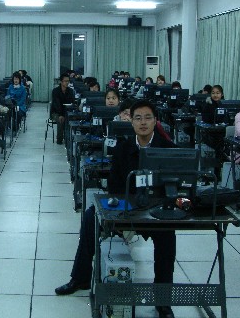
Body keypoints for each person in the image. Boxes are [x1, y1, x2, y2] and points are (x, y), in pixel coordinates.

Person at [55, 100, 177, 318]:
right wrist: (127, 202)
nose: (143, 122)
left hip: (156, 210)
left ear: (155, 121)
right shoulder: (124, 147)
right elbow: (113, 184)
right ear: (131, 122)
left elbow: (175, 185)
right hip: (127, 206)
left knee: (167, 236)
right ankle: (80, 278)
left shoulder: (168, 148)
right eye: (137, 118)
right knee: (91, 216)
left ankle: (162, 300)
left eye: (147, 117)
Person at [50, 73, 75, 144]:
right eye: (65, 81)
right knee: (61, 120)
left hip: (67, 112)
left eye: (68, 81)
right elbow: (56, 104)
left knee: (70, 119)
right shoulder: (55, 91)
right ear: (61, 81)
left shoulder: (70, 91)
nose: (67, 83)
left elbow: (72, 103)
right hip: (55, 112)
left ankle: (68, 139)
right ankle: (59, 139)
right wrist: (61, 114)